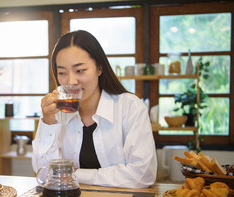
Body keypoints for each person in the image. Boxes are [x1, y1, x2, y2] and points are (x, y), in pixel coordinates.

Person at [32, 30, 157, 188]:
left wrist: (75, 174)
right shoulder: (59, 113)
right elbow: (44, 174)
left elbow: (142, 175)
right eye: (62, 72)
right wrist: (48, 123)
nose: (71, 81)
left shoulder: (130, 107)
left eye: (80, 70)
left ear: (99, 68)